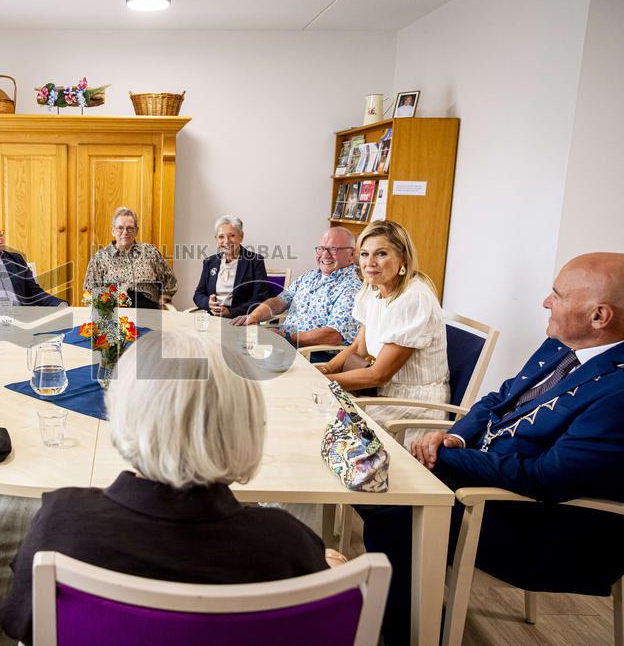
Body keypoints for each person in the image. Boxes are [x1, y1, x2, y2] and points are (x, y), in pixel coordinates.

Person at [0, 331, 345, 644]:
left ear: (123, 414)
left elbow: (22, 625)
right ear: (247, 424)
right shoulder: (286, 544)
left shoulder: (61, 522)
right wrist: (333, 576)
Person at [361, 252, 624, 645]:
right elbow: (497, 399)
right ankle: (410, 609)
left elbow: (549, 478)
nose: (545, 302)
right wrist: (454, 437)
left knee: (393, 513)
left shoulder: (617, 391)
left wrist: (448, 456)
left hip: (547, 527)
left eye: (558, 294)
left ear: (599, 316)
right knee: (373, 482)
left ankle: (412, 631)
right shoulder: (560, 345)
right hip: (493, 483)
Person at [320, 220, 448, 448]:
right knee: (315, 413)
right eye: (364, 254)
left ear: (403, 259)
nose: (369, 263)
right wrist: (326, 369)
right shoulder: (373, 288)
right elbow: (359, 348)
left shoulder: (414, 298)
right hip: (382, 395)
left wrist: (321, 383)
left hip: (412, 406)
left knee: (323, 421)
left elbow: (379, 375)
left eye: (381, 254)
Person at [232, 227, 362, 351]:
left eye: (333, 249)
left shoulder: (352, 289)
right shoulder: (309, 276)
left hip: (312, 354)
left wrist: (288, 337)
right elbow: (280, 301)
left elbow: (333, 335)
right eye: (322, 248)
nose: (325, 255)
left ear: (351, 254)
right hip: (285, 344)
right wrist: (254, 316)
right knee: (235, 347)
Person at [83, 207, 178, 309]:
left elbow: (170, 281)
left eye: (130, 228)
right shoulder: (100, 258)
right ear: (113, 230)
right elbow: (90, 291)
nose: (125, 232)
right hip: (114, 311)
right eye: (120, 228)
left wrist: (162, 301)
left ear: (136, 231)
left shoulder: (150, 252)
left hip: (147, 309)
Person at [192, 215, 269, 318]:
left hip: (241, 319)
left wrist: (231, 312)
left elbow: (260, 299)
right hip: (213, 318)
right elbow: (198, 294)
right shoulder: (209, 262)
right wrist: (208, 303)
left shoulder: (255, 262)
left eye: (232, 235)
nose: (226, 241)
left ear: (241, 236)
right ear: (216, 239)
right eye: (221, 237)